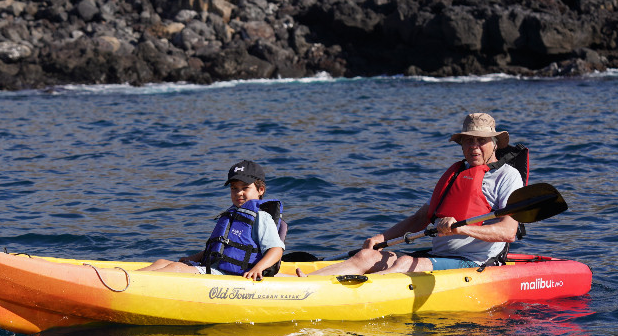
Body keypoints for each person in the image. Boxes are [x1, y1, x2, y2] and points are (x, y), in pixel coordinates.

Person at [297, 112, 524, 277]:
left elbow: (508, 231)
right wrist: (381, 239)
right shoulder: (456, 174)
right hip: (438, 257)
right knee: (366, 256)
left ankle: (347, 295)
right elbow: (420, 218)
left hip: (475, 262)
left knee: (405, 262)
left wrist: (462, 228)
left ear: (494, 144)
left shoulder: (508, 177)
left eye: (481, 140)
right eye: (468, 140)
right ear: (462, 144)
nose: (474, 146)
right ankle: (306, 283)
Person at [137, 160, 286, 280]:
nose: (239, 192)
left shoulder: (261, 217)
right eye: (234, 188)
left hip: (234, 276)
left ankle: (132, 283)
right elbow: (219, 248)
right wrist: (192, 258)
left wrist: (257, 268)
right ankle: (127, 277)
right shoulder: (233, 213)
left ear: (261, 190)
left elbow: (276, 250)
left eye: (245, 187)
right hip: (215, 268)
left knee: (176, 269)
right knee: (162, 263)